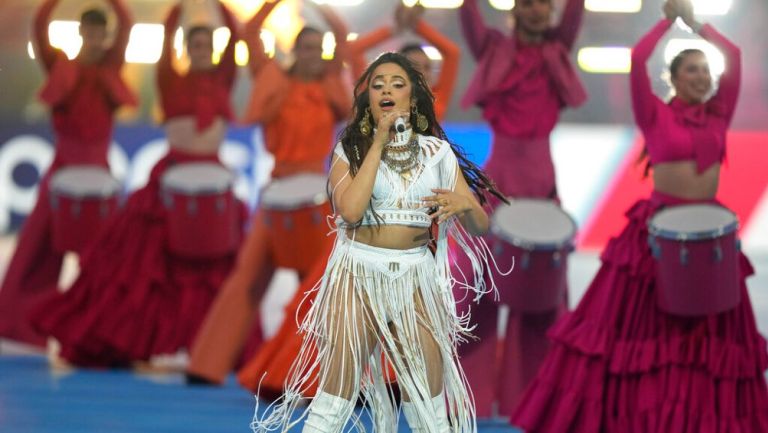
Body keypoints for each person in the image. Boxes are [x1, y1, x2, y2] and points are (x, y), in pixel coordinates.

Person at [512, 0, 768, 431]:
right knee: (643, 334)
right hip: (656, 229)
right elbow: (638, 59)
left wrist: (696, 23)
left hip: (710, 233)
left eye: (706, 70)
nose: (702, 77)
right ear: (673, 79)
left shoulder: (719, 114)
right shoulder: (655, 113)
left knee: (712, 339)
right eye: (691, 70)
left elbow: (735, 58)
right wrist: (667, 24)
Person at [251, 51, 506, 433]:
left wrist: (464, 204)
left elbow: (481, 225)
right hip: (359, 274)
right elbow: (351, 211)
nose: (387, 89)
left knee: (428, 400)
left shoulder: (437, 153)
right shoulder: (348, 151)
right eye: (378, 84)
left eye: (397, 84)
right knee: (335, 394)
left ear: (414, 97)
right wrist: (379, 139)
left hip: (416, 277)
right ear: (368, 97)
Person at [237, 1, 459, 397]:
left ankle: (398, 383)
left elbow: (453, 53)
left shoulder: (436, 105)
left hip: (418, 220)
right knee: (341, 299)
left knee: (415, 306)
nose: (412, 79)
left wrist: (417, 26)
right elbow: (355, 53)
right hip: (371, 215)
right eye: (401, 74)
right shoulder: (377, 106)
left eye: (420, 71)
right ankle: (305, 376)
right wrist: (393, 25)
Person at [31, 1, 243, 367]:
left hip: (213, 180)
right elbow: (164, 41)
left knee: (217, 271)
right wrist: (180, 8)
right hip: (170, 175)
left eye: (207, 46)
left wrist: (216, 4)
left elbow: (236, 37)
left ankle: (212, 344)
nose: (201, 52)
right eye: (195, 46)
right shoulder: (170, 77)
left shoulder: (224, 77)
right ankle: (126, 339)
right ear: (186, 49)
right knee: (140, 268)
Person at [185, 0, 350, 385]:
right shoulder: (272, 77)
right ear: (294, 51)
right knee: (246, 279)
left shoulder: (330, 84)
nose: (311, 55)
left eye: (317, 49)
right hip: (276, 191)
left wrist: (318, 6)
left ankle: (306, 372)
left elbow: (342, 37)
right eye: (304, 48)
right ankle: (206, 365)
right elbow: (249, 33)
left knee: (316, 288)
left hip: (318, 195)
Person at [456, 0, 587, 418]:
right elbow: (468, 15)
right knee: (480, 292)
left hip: (542, 182)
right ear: (515, 9)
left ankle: (532, 400)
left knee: (541, 298)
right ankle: (468, 399)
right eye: (529, 4)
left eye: (545, 5)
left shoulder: (559, 49)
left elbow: (575, 12)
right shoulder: (493, 48)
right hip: (498, 181)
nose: (538, 11)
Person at [0, 0, 135, 348]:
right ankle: (23, 320)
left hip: (99, 173)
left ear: (105, 36)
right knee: (36, 248)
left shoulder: (111, 66)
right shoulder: (59, 64)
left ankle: (100, 326)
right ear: (80, 33)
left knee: (105, 255)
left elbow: (126, 20)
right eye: (89, 31)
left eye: (99, 33)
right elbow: (40, 24)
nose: (94, 38)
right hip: (61, 169)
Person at [348, 3, 459, 120]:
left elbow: (453, 53)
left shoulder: (436, 100)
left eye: (427, 67)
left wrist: (416, 26)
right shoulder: (377, 99)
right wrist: (395, 29)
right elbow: (355, 50)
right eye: (415, 68)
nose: (423, 74)